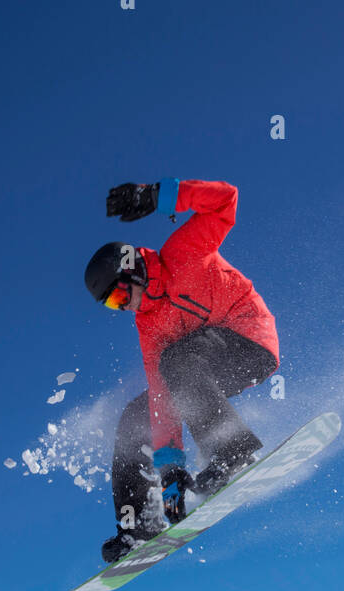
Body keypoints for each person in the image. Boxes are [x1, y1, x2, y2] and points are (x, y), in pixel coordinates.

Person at [84, 179, 279, 563]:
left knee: (177, 361)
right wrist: (172, 473)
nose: (123, 307)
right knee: (134, 417)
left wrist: (158, 196)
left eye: (121, 295)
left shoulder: (182, 252)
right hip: (200, 367)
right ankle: (139, 523)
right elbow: (161, 397)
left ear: (134, 270)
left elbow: (226, 201)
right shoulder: (148, 324)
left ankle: (234, 452)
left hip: (249, 340)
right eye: (111, 305)